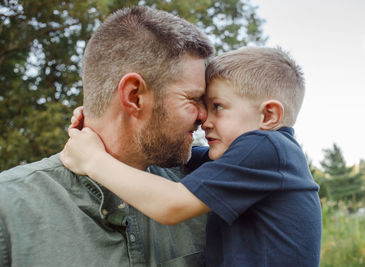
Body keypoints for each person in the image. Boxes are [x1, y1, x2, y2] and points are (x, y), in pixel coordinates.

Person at [61, 47, 322, 267]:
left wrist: (92, 158)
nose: (205, 120)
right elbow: (174, 154)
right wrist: (107, 120)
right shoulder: (255, 161)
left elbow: (172, 205)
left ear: (268, 116)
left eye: (218, 107)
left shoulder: (267, 146)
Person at [0, 6, 214, 267]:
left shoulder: (203, 194)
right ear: (133, 96)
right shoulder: (8, 207)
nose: (204, 116)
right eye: (193, 99)